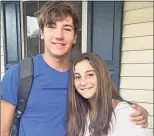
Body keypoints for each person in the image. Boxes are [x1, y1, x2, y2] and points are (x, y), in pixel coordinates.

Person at [1, 1, 148, 136]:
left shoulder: (81, 77)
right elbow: (3, 131)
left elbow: (106, 103)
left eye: (66, 28)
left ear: (75, 37)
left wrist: (135, 112)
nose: (59, 35)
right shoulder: (19, 75)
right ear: (41, 33)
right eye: (51, 27)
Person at [66, 52, 150, 136]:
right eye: (77, 77)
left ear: (102, 77)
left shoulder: (129, 115)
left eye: (90, 74)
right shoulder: (81, 112)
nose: (83, 82)